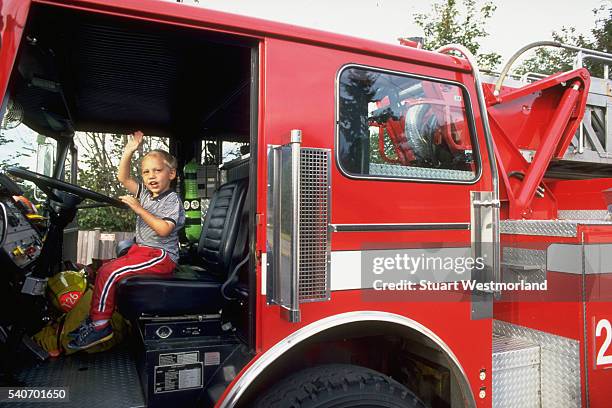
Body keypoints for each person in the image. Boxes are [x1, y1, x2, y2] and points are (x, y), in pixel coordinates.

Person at [67, 131, 185, 350]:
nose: (151, 176)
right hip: (141, 251)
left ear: (172, 174)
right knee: (103, 267)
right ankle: (96, 318)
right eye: (146, 172)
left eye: (158, 171)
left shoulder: (172, 200)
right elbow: (123, 177)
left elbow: (162, 229)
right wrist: (129, 150)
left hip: (160, 256)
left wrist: (138, 209)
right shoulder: (145, 194)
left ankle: (101, 325)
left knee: (109, 272)